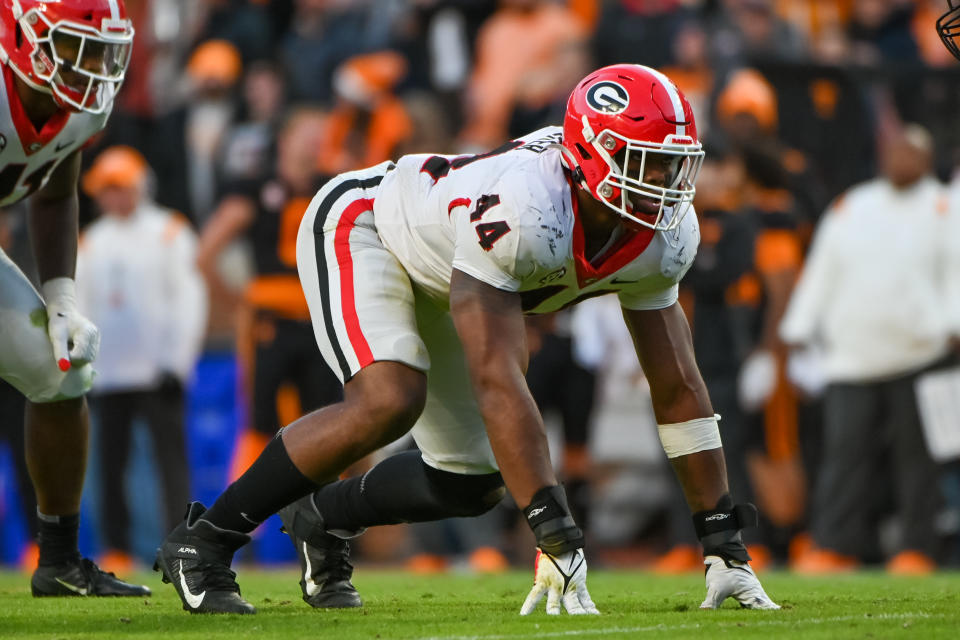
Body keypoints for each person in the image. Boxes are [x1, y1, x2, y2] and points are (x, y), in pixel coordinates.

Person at [155, 64, 779, 615]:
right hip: (369, 227)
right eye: (647, 161)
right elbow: (498, 377)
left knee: (472, 481)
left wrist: (722, 542)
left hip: (449, 271)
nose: (665, 180)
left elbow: (678, 386)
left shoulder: (665, 235)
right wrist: (556, 535)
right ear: (592, 154)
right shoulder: (528, 208)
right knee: (388, 399)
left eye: (674, 161)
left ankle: (323, 519)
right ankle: (206, 541)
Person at [0, 0, 148, 596]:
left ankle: (59, 561)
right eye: (72, 45)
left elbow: (57, 191)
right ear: (19, 36)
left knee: (60, 373)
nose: (92, 64)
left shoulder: (78, 108)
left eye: (100, 48)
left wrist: (60, 298)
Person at [780, 125, 958, 574]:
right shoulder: (853, 205)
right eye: (896, 151)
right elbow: (822, 269)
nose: (902, 160)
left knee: (918, 459)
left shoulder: (945, 206)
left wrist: (954, 322)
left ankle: (917, 548)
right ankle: (835, 544)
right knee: (845, 455)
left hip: (923, 350)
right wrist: (799, 329)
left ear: (927, 158)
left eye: (912, 153)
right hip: (852, 353)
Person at [75, 146, 207, 572]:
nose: (115, 198)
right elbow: (79, 304)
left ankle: (182, 541)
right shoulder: (90, 240)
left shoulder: (169, 231)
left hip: (158, 370)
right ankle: (116, 546)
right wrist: (83, 366)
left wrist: (178, 361)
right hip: (109, 374)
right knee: (109, 466)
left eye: (122, 188)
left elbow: (189, 299)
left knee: (172, 462)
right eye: (107, 190)